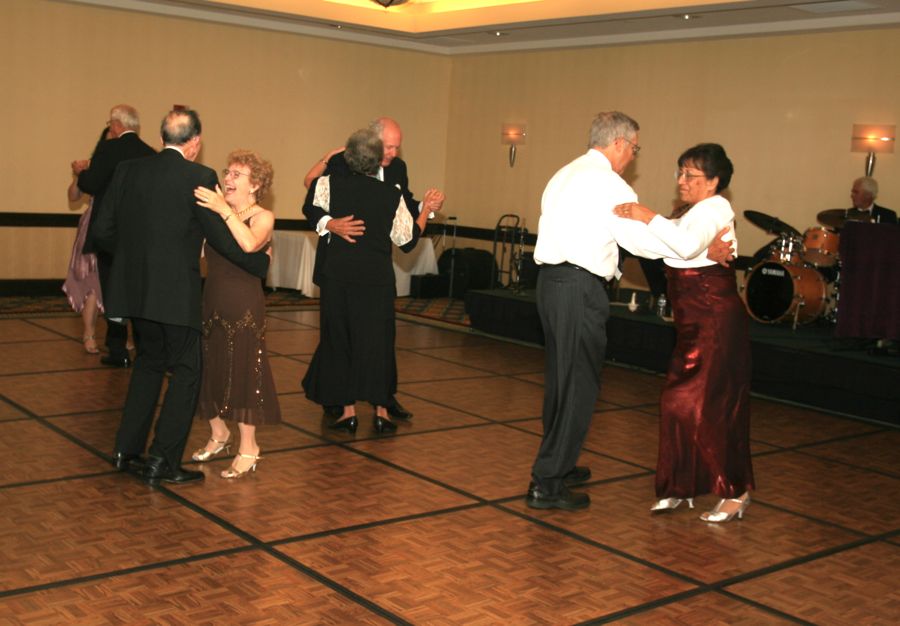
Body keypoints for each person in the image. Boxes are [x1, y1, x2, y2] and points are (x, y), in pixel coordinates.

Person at [525, 112, 734, 512]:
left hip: (551, 286)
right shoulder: (609, 185)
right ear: (619, 143)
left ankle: (560, 464)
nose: (633, 158)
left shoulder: (565, 173)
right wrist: (699, 251)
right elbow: (640, 242)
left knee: (561, 381)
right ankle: (547, 482)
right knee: (579, 386)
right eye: (634, 149)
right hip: (578, 289)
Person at [92, 109, 270, 485]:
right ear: (195, 143)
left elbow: (102, 230)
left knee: (148, 365)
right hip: (175, 297)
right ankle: (163, 461)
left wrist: (133, 264)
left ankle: (126, 450)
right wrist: (256, 265)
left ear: (161, 138)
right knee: (188, 371)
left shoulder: (128, 171)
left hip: (135, 294)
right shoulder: (198, 177)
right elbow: (221, 239)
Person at [614, 143, 754, 523]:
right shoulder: (690, 214)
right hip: (693, 327)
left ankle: (735, 491)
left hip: (716, 325)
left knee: (711, 407)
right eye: (680, 173)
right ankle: (680, 485)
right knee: (676, 403)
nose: (681, 181)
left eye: (690, 175)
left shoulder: (716, 208)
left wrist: (647, 215)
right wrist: (618, 222)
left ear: (713, 181)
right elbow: (658, 245)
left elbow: (687, 245)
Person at [302, 117, 445, 421]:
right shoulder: (377, 189)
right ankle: (374, 408)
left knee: (345, 337)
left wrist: (424, 207)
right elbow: (407, 238)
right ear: (376, 151)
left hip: (344, 272)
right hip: (365, 274)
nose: (393, 152)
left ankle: (350, 409)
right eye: (389, 147)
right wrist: (330, 223)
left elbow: (311, 198)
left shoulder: (384, 177)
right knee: (366, 339)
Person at [191, 150, 281, 478]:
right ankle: (219, 434)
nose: (227, 179)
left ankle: (249, 447)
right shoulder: (217, 215)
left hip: (244, 304)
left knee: (244, 371)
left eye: (236, 175)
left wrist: (222, 212)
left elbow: (248, 245)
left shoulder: (263, 216)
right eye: (227, 172)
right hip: (212, 299)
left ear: (254, 184)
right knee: (208, 368)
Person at [78, 104, 156, 367]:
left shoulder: (109, 149)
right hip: (140, 235)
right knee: (139, 291)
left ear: (115, 125)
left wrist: (82, 173)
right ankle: (145, 347)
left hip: (110, 235)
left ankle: (118, 349)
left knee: (115, 292)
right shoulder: (150, 153)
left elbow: (90, 184)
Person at [64, 127, 109, 354]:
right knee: (91, 279)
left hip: (119, 227)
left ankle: (124, 337)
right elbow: (73, 196)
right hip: (92, 225)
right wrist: (78, 176)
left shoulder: (127, 165)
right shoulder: (93, 166)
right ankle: (89, 333)